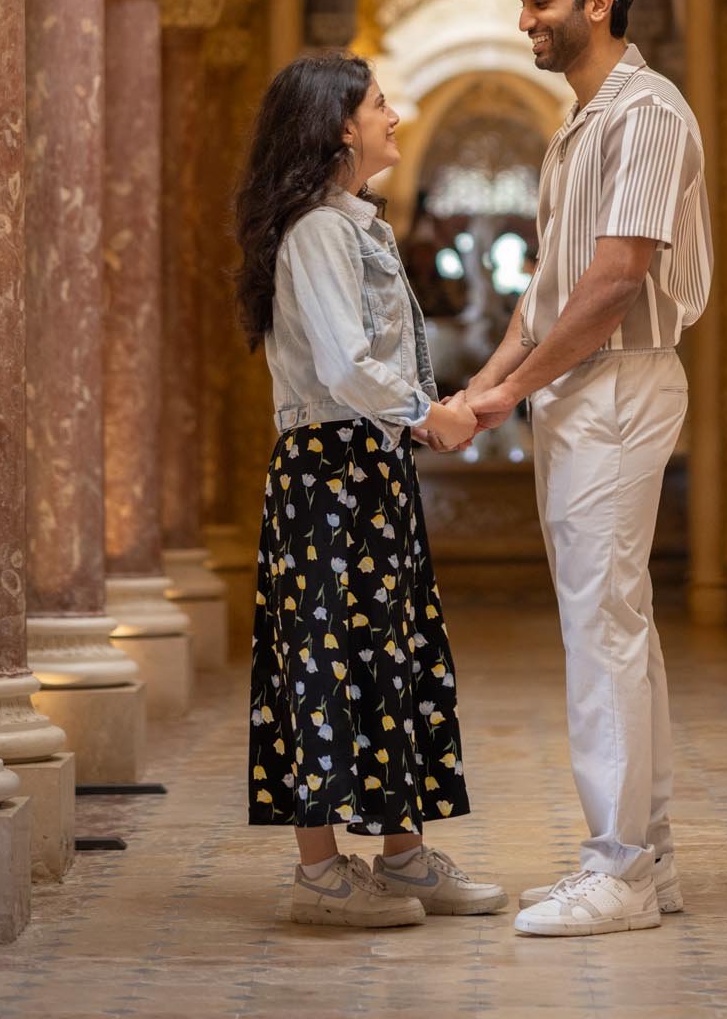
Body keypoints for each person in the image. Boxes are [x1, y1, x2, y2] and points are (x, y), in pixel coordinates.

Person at [466, 0, 713, 939]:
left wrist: (512, 386)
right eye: (522, 2)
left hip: (616, 386)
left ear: (598, 2)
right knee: (620, 620)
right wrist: (485, 388)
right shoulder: (579, 122)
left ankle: (616, 869)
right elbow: (550, 284)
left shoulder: (646, 113)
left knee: (601, 629)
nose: (524, 18)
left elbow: (614, 279)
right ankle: (644, 854)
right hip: (577, 391)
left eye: (539, 1)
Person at [234, 54, 507, 928]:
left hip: (368, 468)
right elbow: (344, 365)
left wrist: (424, 417)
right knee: (322, 658)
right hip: (327, 472)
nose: (397, 115)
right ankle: (320, 871)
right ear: (340, 125)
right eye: (382, 104)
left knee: (387, 656)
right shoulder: (317, 230)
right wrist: (431, 416)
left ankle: (403, 856)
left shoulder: (362, 226)